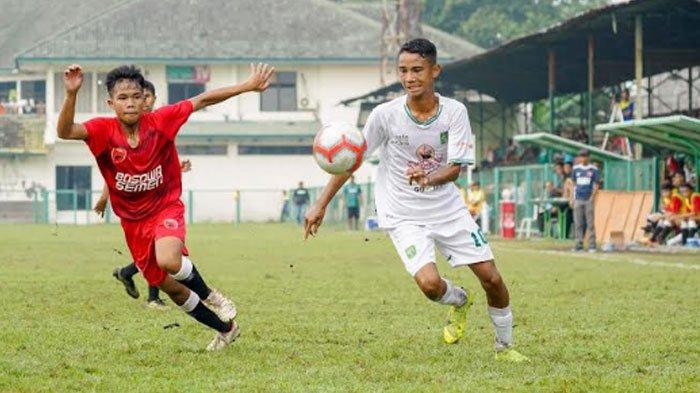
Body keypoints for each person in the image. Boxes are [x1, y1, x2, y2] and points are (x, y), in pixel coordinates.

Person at [303, 39, 528, 362]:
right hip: (403, 214)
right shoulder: (385, 115)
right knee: (430, 286)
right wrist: (320, 203)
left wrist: (428, 178)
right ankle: (460, 301)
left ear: (435, 71)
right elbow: (352, 159)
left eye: (417, 70)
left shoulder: (455, 112)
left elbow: (454, 169)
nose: (410, 78)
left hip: (447, 208)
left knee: (492, 278)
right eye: (404, 71)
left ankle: (504, 347)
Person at [57, 62, 274, 350]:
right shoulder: (101, 131)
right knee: (173, 290)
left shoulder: (161, 121)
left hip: (165, 207)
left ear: (145, 98)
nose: (130, 103)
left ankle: (211, 295)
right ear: (111, 103)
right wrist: (71, 94)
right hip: (133, 224)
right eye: (122, 98)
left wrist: (246, 86)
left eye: (136, 96)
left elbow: (203, 99)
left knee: (169, 259)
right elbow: (65, 131)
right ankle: (226, 329)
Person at [93, 81, 188, 310]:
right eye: (131, 97)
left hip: (160, 201)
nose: (138, 101)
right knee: (156, 254)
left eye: (144, 96)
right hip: (137, 208)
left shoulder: (159, 123)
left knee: (162, 252)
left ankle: (128, 274)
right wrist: (105, 197)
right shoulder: (122, 129)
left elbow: (160, 160)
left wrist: (177, 166)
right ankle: (152, 297)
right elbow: (117, 171)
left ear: (151, 99)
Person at [571, 149, 599, 252]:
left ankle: (592, 245)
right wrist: (572, 198)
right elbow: (573, 184)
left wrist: (592, 196)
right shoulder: (576, 169)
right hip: (578, 198)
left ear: (589, 157)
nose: (583, 158)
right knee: (578, 223)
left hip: (588, 198)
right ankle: (579, 244)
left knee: (590, 223)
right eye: (581, 156)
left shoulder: (593, 169)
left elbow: (596, 185)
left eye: (585, 156)